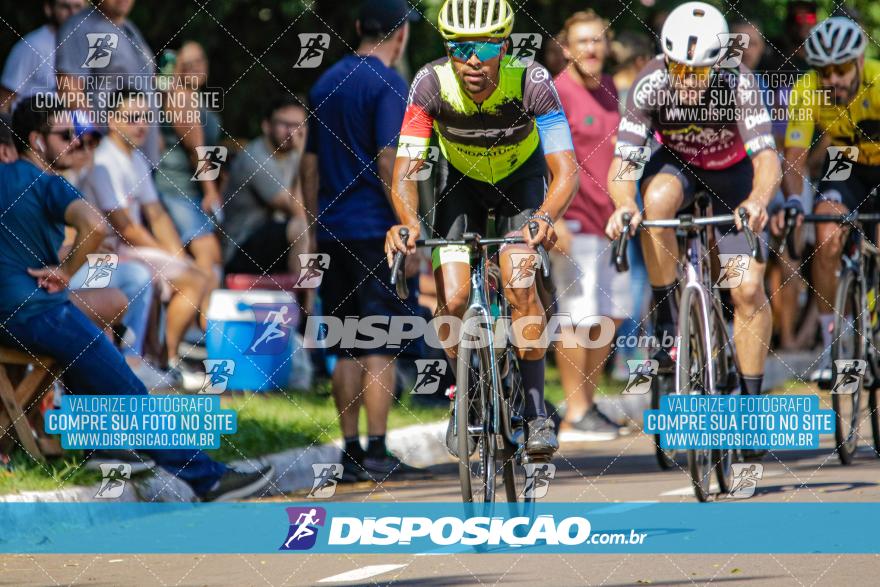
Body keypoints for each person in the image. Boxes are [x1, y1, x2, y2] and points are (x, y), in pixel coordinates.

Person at [1, 97, 272, 500]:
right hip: (36, 312)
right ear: (35, 141)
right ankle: (207, 478)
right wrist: (66, 272)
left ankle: (105, 445)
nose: (76, 142)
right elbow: (93, 226)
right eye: (64, 135)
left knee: (94, 350)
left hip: (14, 312)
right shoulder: (48, 183)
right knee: (128, 389)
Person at [385, 0, 578, 460]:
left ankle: (533, 411)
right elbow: (406, 171)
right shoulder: (431, 83)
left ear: (505, 45)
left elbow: (566, 170)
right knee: (450, 299)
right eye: (460, 45)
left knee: (519, 284)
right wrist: (409, 224)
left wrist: (545, 216)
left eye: (487, 46)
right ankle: (465, 394)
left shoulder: (531, 80)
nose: (473, 58)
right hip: (461, 187)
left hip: (521, 184)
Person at [605, 3, 781, 411]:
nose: (685, 80)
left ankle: (749, 406)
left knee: (747, 288)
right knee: (654, 205)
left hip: (733, 177)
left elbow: (767, 158)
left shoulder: (739, 83)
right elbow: (624, 161)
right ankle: (668, 317)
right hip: (679, 168)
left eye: (697, 71)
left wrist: (756, 201)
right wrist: (623, 205)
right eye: (678, 68)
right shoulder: (650, 82)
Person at [301, 0, 426, 483]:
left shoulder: (323, 82)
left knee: (346, 343)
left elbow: (309, 167)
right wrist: (407, 227)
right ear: (400, 35)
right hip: (377, 231)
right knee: (381, 344)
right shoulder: (391, 84)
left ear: (357, 27)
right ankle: (377, 451)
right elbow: (389, 161)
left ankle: (350, 454)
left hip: (333, 231)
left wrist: (315, 227)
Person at [80, 90, 211, 389]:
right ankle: (159, 360)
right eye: (133, 118)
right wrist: (174, 262)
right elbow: (126, 228)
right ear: (112, 121)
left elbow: (157, 215)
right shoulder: (104, 160)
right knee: (190, 279)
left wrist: (177, 256)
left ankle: (163, 360)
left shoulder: (136, 157)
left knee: (195, 275)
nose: (142, 125)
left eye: (146, 118)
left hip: (130, 250)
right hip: (111, 252)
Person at [779, 17, 880, 380]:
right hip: (844, 161)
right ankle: (832, 342)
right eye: (824, 70)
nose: (832, 79)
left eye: (840, 69)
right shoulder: (807, 89)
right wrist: (794, 205)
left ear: (858, 61)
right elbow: (794, 158)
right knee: (826, 235)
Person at [551, 11, 629, 441]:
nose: (591, 48)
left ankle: (588, 403)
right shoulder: (557, 91)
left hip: (610, 221)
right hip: (574, 220)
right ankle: (575, 411)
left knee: (609, 317)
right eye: (582, 41)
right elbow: (542, 157)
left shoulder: (609, 91)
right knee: (576, 319)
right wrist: (554, 218)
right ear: (566, 48)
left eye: (597, 40)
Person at [55, 0, 162, 166]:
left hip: (142, 159)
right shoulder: (82, 26)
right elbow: (70, 91)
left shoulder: (129, 27)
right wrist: (92, 142)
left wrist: (156, 135)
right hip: (109, 160)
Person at [155, 41, 224, 287]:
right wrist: (210, 191)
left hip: (190, 190)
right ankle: (209, 320)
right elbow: (197, 150)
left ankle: (205, 317)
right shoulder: (180, 97)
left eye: (200, 60)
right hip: (178, 189)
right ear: (177, 68)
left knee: (207, 256)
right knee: (207, 253)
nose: (196, 67)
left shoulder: (193, 98)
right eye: (188, 63)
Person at [222, 95, 310, 282]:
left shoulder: (292, 155)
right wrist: (304, 155)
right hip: (241, 248)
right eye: (284, 124)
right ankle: (307, 307)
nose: (292, 132)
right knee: (302, 228)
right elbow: (299, 211)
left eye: (298, 126)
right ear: (266, 125)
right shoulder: (255, 158)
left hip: (275, 243)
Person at [0, 0, 85, 111]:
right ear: (49, 9)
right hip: (33, 125)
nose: (72, 13)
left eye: (78, 7)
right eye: (65, 7)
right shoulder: (31, 46)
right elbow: (4, 101)